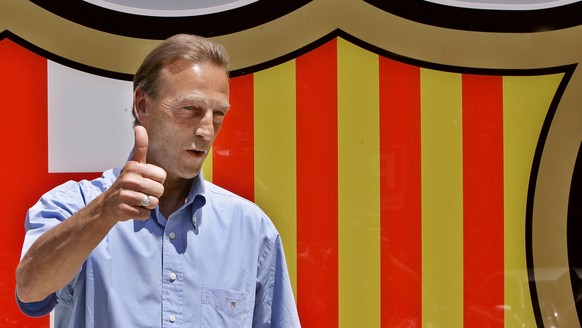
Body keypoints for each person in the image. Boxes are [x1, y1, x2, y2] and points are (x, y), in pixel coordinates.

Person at [15, 34, 301, 327]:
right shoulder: (76, 204)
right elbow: (30, 291)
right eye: (190, 109)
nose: (206, 130)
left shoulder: (251, 228)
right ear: (142, 106)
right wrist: (104, 212)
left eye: (217, 114)